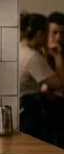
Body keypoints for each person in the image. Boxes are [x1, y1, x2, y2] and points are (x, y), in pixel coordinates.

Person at [19, 13, 64, 145]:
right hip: (30, 110)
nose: (58, 37)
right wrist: (57, 55)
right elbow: (59, 83)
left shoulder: (21, 49)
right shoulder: (33, 56)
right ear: (40, 34)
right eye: (51, 32)